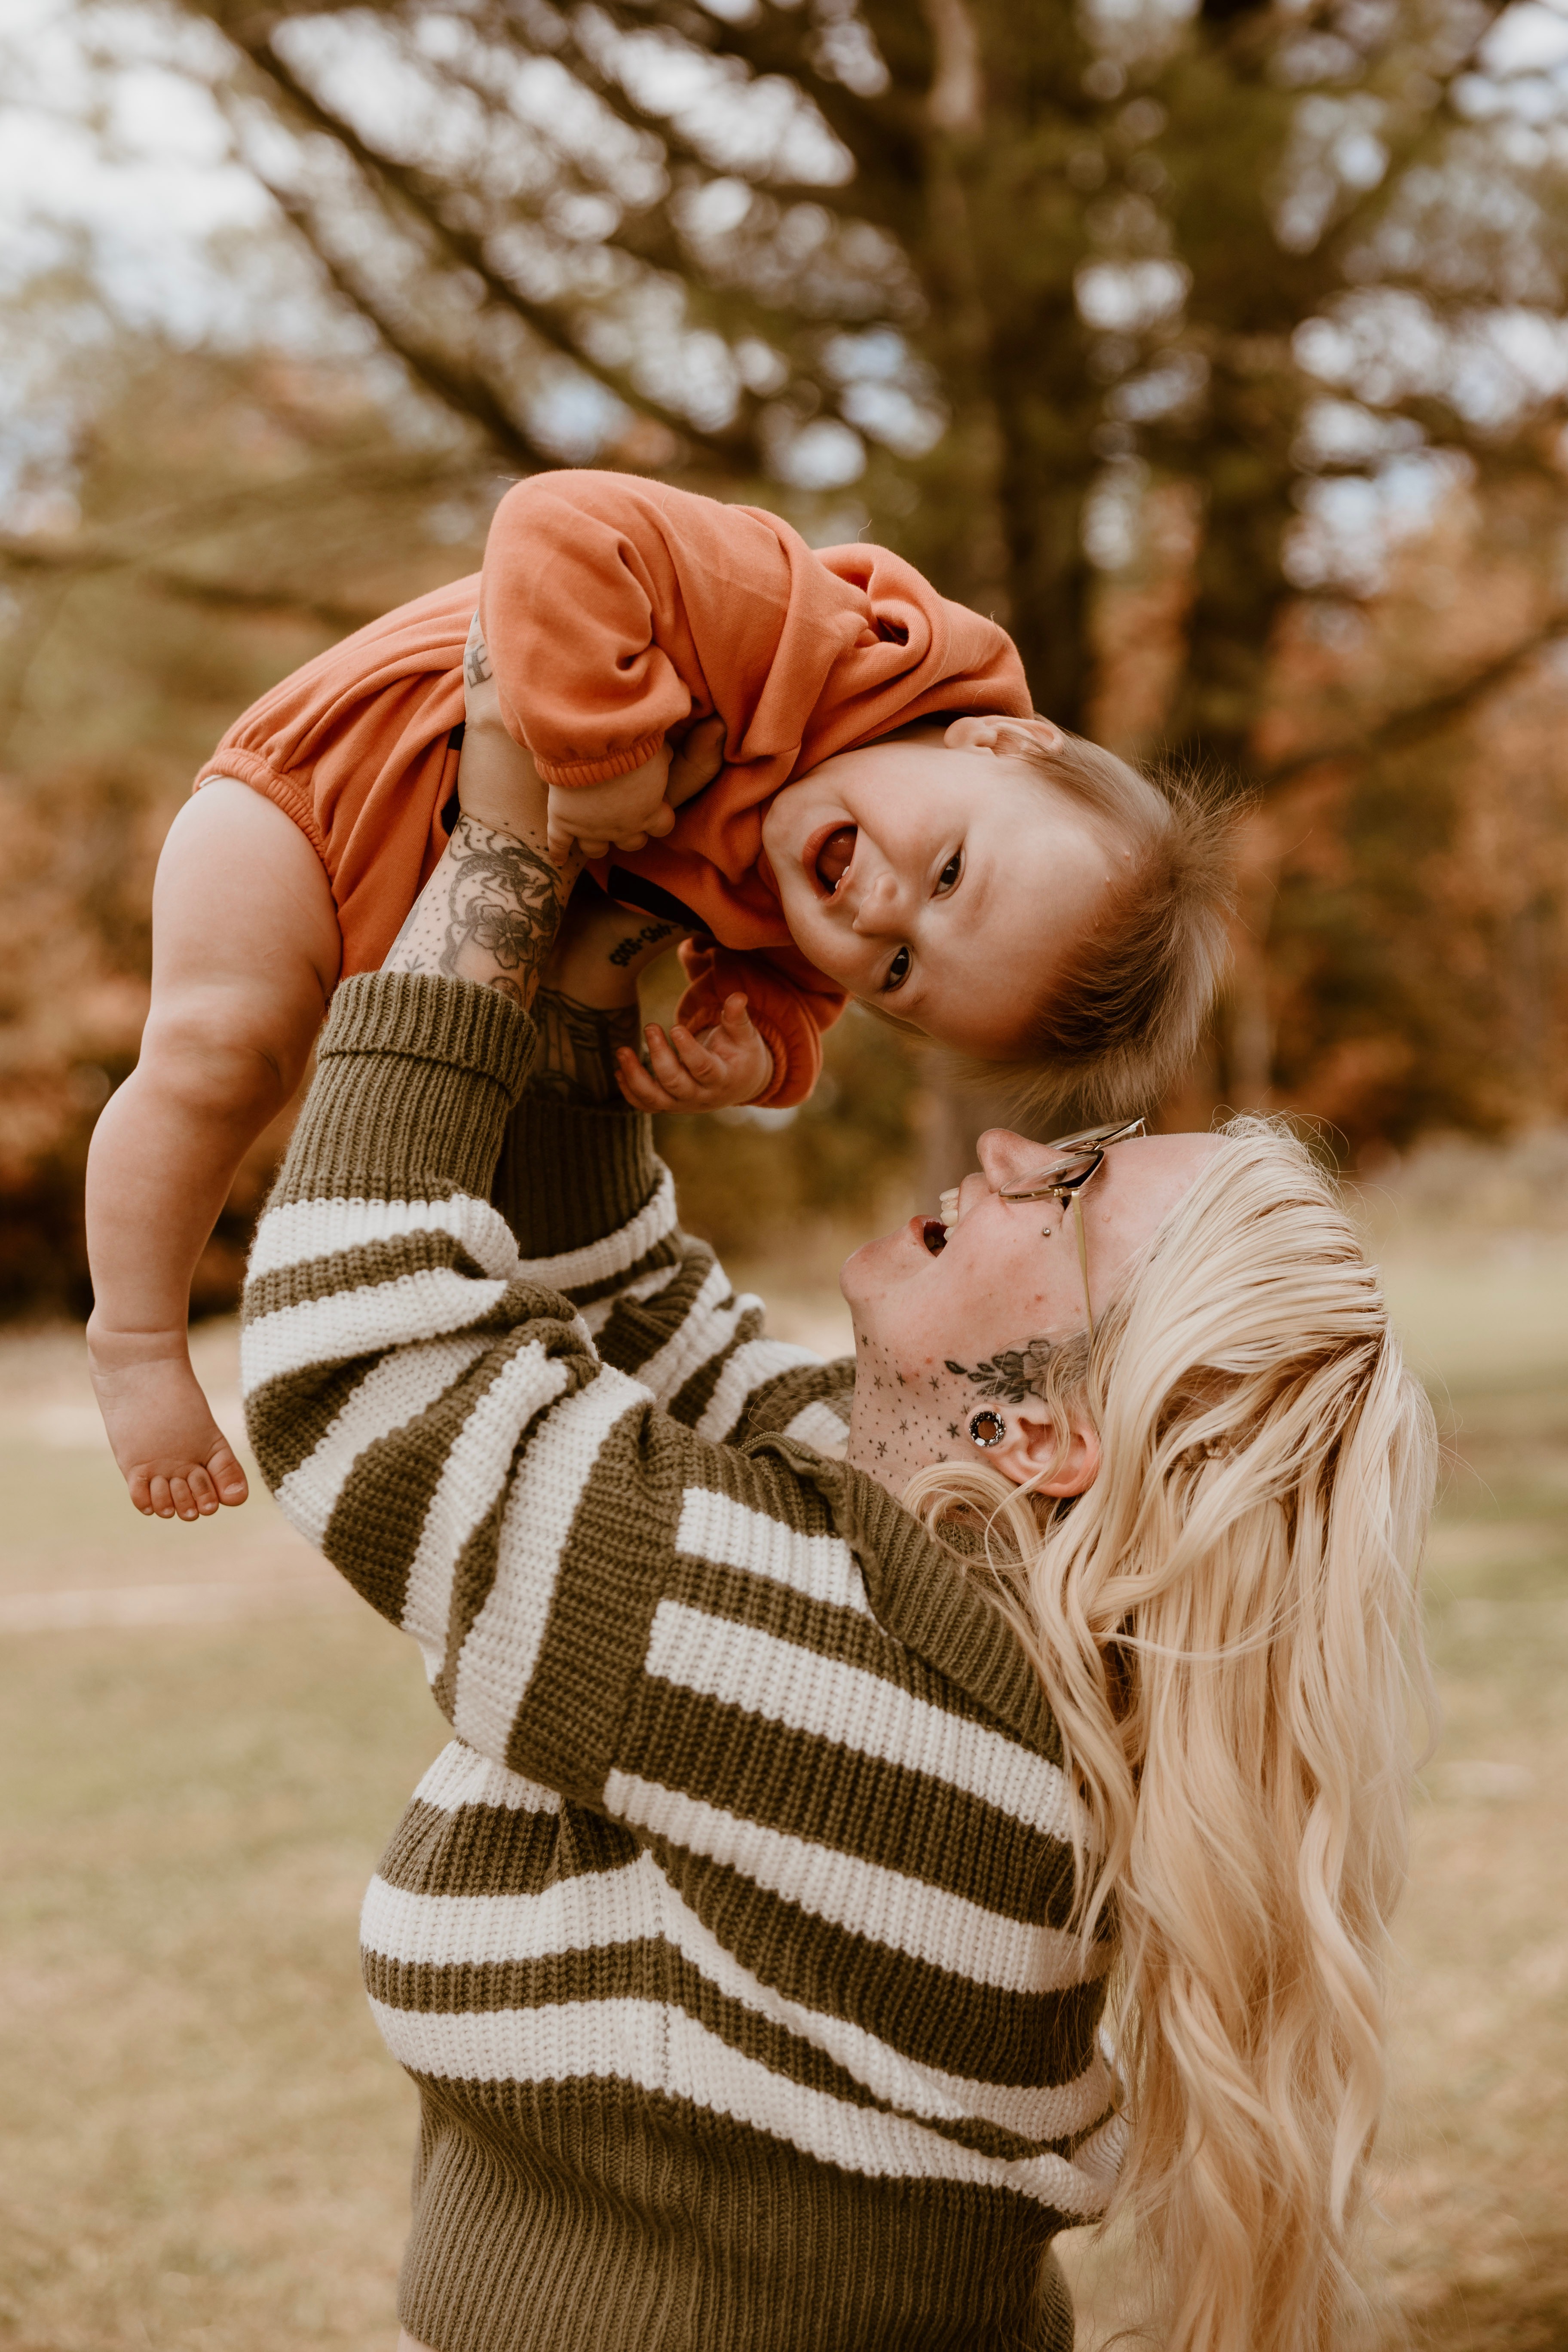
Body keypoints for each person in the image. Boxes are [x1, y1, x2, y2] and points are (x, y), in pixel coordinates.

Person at [239, 753, 1434, 2352]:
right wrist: (610, 979)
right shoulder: (941, 1587)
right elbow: (636, 1331)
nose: (1016, 1152)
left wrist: (506, 855)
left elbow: (364, 1364)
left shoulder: (857, 1663)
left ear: (1040, 1436)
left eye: (1070, 1193)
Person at [84, 470, 1234, 1523]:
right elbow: (559, 523)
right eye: (949, 873)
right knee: (224, 1052)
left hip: (429, 917)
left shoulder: (813, 885)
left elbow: (787, 994)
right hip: (325, 790)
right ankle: (136, 1337)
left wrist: (758, 1050)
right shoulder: (802, 630)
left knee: (432, 1140)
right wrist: (607, 750)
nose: (883, 911)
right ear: (999, 742)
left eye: (899, 972)